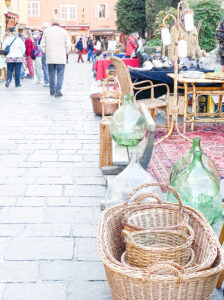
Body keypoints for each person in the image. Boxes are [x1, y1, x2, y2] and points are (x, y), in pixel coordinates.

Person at [40, 17, 71, 97]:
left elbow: (42, 45)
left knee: (51, 73)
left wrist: (46, 52)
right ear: (59, 23)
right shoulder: (64, 32)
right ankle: (58, 91)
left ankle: (52, 90)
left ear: (52, 22)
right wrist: (65, 53)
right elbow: (68, 45)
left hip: (50, 57)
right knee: (60, 74)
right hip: (61, 57)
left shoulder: (46, 31)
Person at [40, 22, 50, 87]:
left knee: (45, 67)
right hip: (50, 52)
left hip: (45, 52)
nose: (42, 29)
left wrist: (43, 51)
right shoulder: (51, 34)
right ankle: (50, 81)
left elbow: (42, 44)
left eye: (43, 28)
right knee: (49, 67)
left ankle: (47, 81)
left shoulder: (45, 34)